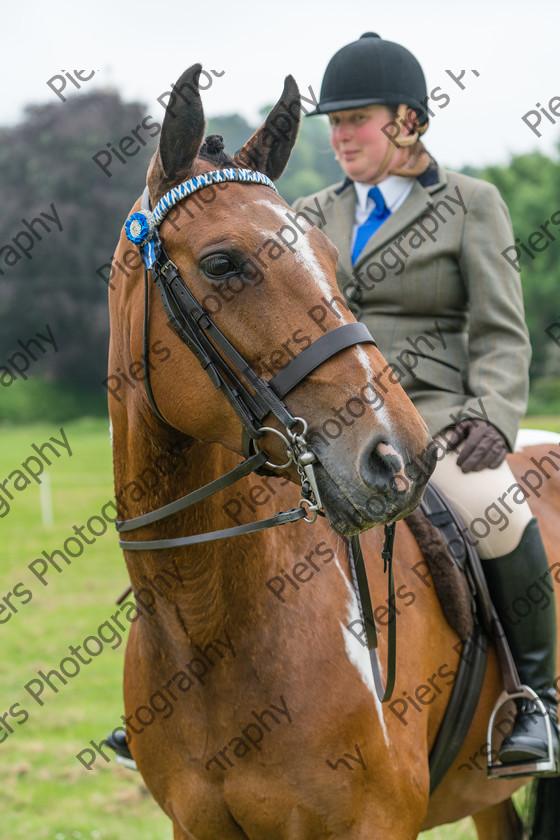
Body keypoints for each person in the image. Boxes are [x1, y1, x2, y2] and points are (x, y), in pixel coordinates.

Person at [292, 32, 559, 777]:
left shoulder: (473, 204)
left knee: (495, 509)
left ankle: (537, 702)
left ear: (407, 122)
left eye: (357, 120)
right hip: (330, 425)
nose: (341, 136)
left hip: (435, 418)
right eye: (334, 123)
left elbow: (504, 334)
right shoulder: (311, 211)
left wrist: (493, 416)